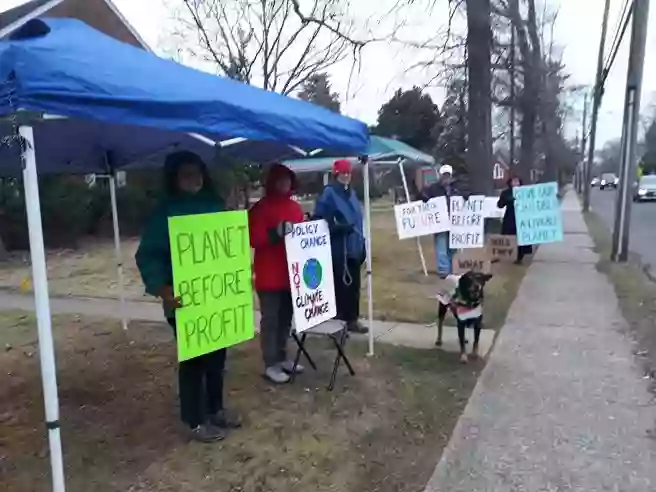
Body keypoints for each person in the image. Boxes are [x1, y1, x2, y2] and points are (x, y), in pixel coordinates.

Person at [135, 150, 241, 443]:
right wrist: (163, 290)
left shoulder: (215, 204)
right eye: (185, 175)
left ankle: (216, 409)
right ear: (174, 178)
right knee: (194, 361)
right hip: (184, 301)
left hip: (216, 299)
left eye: (196, 173)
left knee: (217, 358)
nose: (193, 179)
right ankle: (195, 421)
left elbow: (228, 249)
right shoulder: (165, 213)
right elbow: (148, 256)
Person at [248, 163, 305, 384]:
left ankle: (282, 357)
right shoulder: (261, 208)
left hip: (291, 273)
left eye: (287, 179)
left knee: (285, 319)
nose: (284, 183)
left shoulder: (295, 207)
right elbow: (253, 238)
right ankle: (270, 363)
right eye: (279, 179)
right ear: (271, 182)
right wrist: (275, 233)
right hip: (269, 275)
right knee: (270, 320)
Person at [313, 159, 368, 334]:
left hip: (354, 247)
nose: (346, 176)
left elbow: (358, 218)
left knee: (354, 287)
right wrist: (337, 228)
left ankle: (352, 319)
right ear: (336, 174)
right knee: (342, 287)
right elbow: (319, 220)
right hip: (339, 248)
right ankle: (342, 322)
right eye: (343, 173)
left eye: (348, 173)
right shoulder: (329, 193)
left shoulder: (351, 193)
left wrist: (362, 245)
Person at [420, 164, 469, 278]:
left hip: (454, 222)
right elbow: (424, 199)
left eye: (448, 176)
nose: (446, 178)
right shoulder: (433, 188)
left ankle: (452, 269)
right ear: (440, 176)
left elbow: (464, 199)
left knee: (452, 248)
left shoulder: (456, 188)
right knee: (441, 246)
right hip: (440, 223)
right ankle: (443, 271)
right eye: (444, 175)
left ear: (451, 176)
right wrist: (424, 197)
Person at [497, 176, 532, 264]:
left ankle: (520, 257)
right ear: (510, 183)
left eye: (517, 181)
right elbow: (500, 205)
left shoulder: (524, 192)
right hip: (510, 218)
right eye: (514, 181)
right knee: (509, 237)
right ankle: (506, 254)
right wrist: (506, 199)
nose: (516, 183)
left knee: (520, 238)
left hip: (521, 217)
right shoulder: (506, 193)